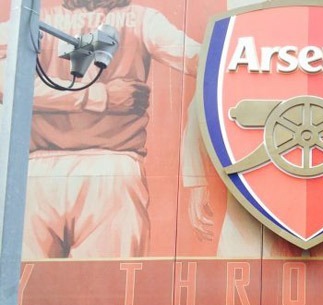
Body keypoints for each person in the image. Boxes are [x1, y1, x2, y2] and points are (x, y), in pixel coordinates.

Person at [0, 0, 202, 259]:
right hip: (88, 168)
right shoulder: (141, 19)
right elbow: (207, 59)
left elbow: (201, 58)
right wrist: (100, 96)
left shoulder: (35, 19)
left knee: (43, 278)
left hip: (93, 167)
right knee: (97, 278)